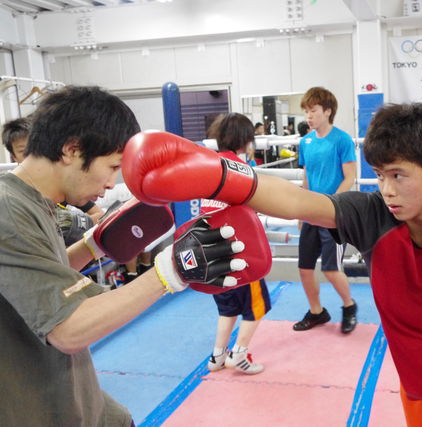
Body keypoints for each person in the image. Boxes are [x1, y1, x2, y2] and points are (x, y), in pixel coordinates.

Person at [122, 102, 422, 425]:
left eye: (398, 175)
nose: (387, 190)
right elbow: (297, 202)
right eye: (380, 175)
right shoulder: (373, 214)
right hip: (417, 382)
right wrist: (218, 174)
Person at [0, 86, 253, 426]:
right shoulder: (8, 210)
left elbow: (38, 280)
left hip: (82, 399)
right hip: (41, 409)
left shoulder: (34, 201)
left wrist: (94, 246)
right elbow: (68, 330)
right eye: (112, 166)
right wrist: (170, 271)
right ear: (72, 149)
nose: (111, 183)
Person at [203, 113, 271, 374]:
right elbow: (251, 208)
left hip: (211, 253)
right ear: (245, 139)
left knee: (227, 307)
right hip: (237, 253)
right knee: (258, 305)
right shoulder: (240, 170)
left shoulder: (208, 166)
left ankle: (217, 357)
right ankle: (239, 354)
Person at [294, 86, 358, 334]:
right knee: (304, 268)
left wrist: (332, 203)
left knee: (331, 269)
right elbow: (307, 177)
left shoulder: (342, 140)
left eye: (314, 110)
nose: (309, 116)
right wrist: (301, 210)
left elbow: (350, 177)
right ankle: (316, 312)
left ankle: (349, 306)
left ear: (328, 111)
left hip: (332, 215)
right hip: (311, 212)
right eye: (306, 111)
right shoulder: (306, 142)